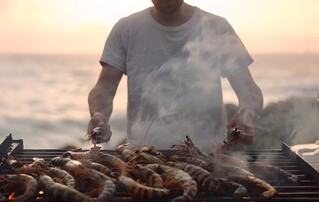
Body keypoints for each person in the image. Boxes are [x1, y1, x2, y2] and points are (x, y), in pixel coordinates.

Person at [87, 0, 263, 151]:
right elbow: (104, 87)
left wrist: (246, 113)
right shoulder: (126, 29)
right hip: (143, 158)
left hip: (209, 157)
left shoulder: (217, 27)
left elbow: (250, 91)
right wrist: (98, 114)